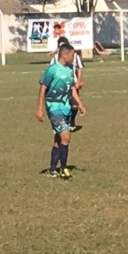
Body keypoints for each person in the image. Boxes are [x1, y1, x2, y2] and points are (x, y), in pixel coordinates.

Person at [36, 43, 86, 179]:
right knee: (66, 136)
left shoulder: (70, 69)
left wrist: (79, 104)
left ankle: (52, 169)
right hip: (53, 107)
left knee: (58, 138)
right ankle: (63, 168)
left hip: (66, 107)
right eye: (72, 55)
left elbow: (72, 89)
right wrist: (40, 108)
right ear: (64, 55)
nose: (73, 57)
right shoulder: (52, 70)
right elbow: (42, 88)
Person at [50, 36, 84, 131]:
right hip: (60, 85)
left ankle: (71, 121)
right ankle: (63, 124)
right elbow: (51, 71)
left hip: (72, 83)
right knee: (63, 105)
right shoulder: (55, 58)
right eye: (59, 46)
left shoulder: (74, 56)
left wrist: (78, 81)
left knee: (74, 105)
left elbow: (79, 68)